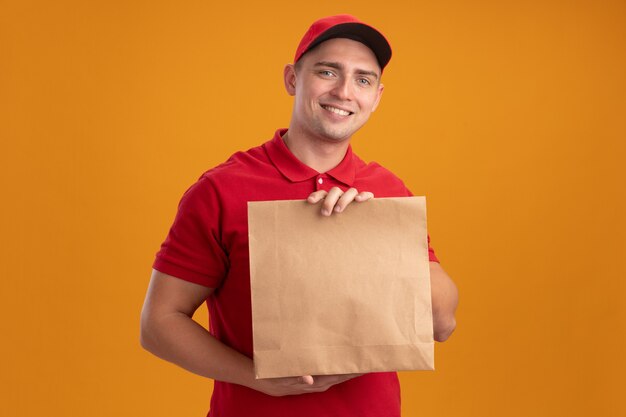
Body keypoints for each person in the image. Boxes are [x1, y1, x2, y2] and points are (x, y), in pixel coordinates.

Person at [140, 14, 458, 417]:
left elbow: (442, 322)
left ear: (376, 96)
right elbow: (159, 323)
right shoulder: (222, 190)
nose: (344, 91)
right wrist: (256, 377)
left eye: (363, 79)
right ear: (293, 79)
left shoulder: (387, 190)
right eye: (328, 72)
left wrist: (372, 231)